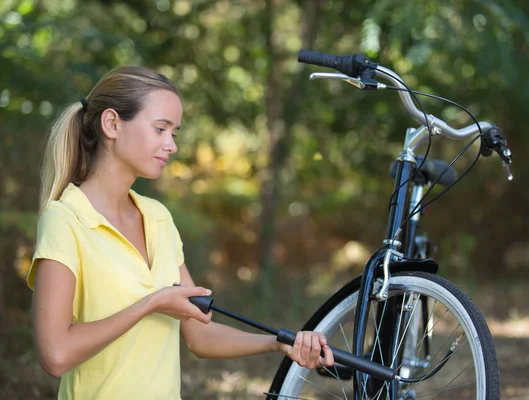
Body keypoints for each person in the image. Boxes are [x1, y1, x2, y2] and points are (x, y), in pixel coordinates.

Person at [27, 66, 334, 399]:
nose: (171, 145)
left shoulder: (158, 218)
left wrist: (280, 344)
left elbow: (198, 337)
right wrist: (150, 304)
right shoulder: (65, 221)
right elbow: (55, 356)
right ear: (112, 124)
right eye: (160, 129)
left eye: (174, 133)